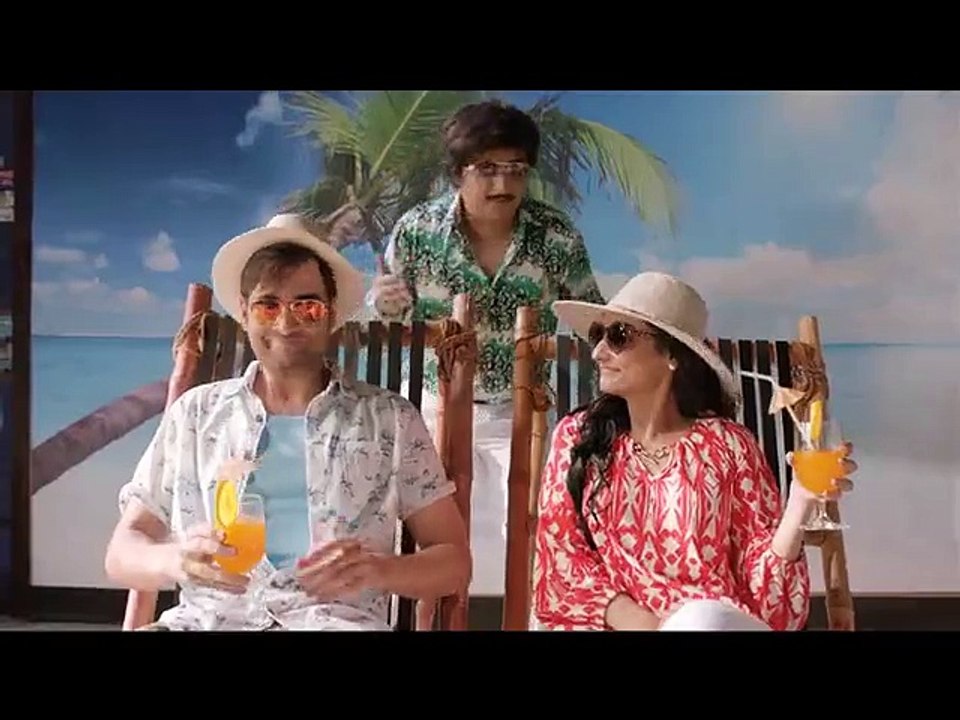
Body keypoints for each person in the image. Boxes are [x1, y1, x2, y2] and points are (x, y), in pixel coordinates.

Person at [104, 213, 471, 631]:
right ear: (244, 312)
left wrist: (380, 570)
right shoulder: (196, 415)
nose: (286, 322)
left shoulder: (390, 420)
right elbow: (122, 552)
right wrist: (175, 559)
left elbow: (454, 562)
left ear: (331, 313)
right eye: (268, 306)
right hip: (206, 621)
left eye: (307, 306)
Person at [532, 271, 857, 631]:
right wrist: (647, 625)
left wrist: (798, 505)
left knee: (702, 620)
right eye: (598, 334)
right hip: (618, 625)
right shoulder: (576, 439)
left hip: (714, 622)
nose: (598, 352)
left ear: (673, 355)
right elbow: (560, 564)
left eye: (619, 336)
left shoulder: (730, 446)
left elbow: (774, 611)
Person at [370, 99, 605, 596]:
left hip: (523, 411)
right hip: (433, 404)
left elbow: (592, 315)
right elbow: (390, 315)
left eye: (516, 169)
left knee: (529, 535)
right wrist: (383, 303)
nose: (503, 184)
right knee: (424, 539)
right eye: (488, 169)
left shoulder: (556, 236)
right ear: (459, 172)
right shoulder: (416, 230)